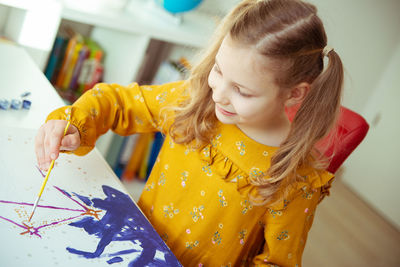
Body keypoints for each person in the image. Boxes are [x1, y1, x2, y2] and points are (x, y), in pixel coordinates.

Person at [35, 0, 343, 265]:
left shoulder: (294, 180)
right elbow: (118, 102)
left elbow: (276, 263)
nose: (219, 93)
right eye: (219, 70)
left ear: (294, 94)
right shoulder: (194, 101)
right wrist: (74, 123)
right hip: (122, 250)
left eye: (242, 91)